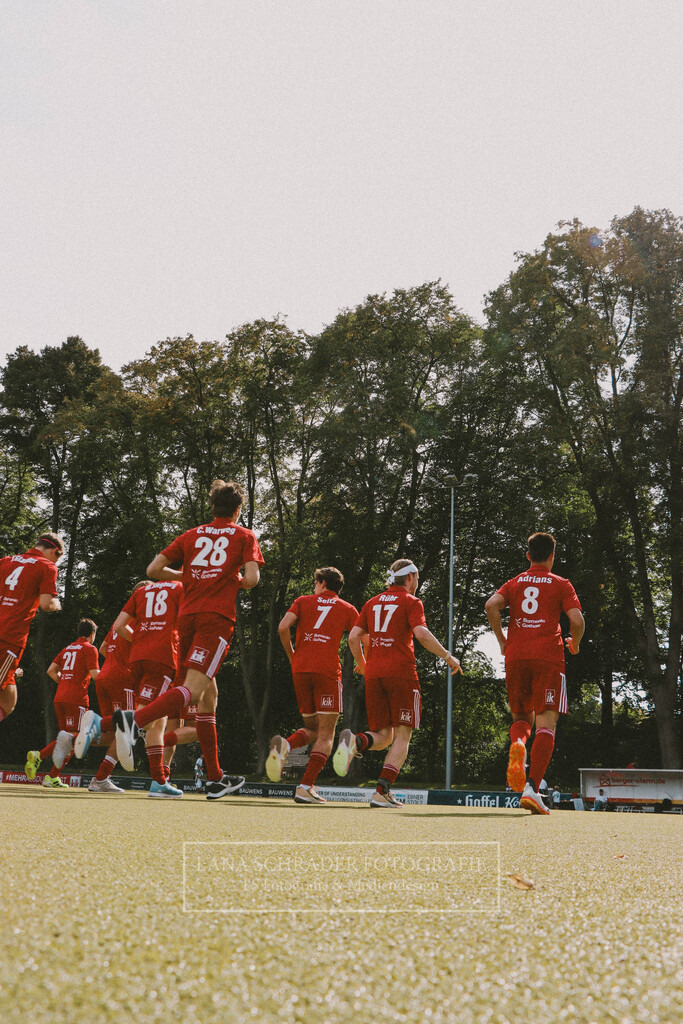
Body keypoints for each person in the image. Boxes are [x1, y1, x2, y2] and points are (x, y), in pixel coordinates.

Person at [76, 479, 264, 800]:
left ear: (212, 507)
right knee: (191, 691)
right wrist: (226, 577)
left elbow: (153, 569)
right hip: (216, 619)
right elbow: (251, 579)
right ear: (237, 509)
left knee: (207, 697)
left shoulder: (192, 535)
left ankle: (216, 778)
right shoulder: (244, 535)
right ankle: (112, 723)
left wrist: (188, 576)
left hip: (187, 618)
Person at [335, 559, 461, 808]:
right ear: (411, 576)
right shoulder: (411, 602)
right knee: (403, 736)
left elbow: (353, 637)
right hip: (401, 673)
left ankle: (356, 742)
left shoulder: (372, 602)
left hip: (375, 675)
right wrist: (447, 656)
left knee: (383, 737)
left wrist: (364, 663)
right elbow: (422, 634)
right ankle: (381, 792)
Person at [485, 531, 584, 816]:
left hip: (516, 655)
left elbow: (491, 605)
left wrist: (502, 640)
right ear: (552, 556)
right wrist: (574, 643)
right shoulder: (560, 583)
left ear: (528, 556)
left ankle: (518, 743)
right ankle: (532, 789)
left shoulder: (514, 582)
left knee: (521, 718)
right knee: (546, 723)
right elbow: (577, 620)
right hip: (548, 658)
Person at [267, 567, 358, 804]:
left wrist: (292, 655)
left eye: (315, 582)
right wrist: (363, 661)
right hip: (327, 672)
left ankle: (286, 745)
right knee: (327, 734)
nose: (313, 586)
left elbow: (282, 627)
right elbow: (359, 636)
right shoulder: (347, 608)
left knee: (314, 729)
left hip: (301, 670)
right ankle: (305, 787)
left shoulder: (303, 601)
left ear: (321, 582)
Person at [26, 619, 98, 788]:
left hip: (60, 697)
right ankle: (40, 757)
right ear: (92, 634)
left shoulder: (68, 648)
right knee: (75, 738)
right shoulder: (90, 649)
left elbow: (51, 670)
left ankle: (52, 777)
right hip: (76, 699)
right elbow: (95, 675)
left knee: (67, 737)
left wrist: (65, 682)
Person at [0, 533, 62, 728]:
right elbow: (46, 603)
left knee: (8, 702)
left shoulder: (6, 561)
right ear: (55, 551)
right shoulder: (47, 566)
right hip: (9, 638)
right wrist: (57, 604)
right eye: (58, 557)